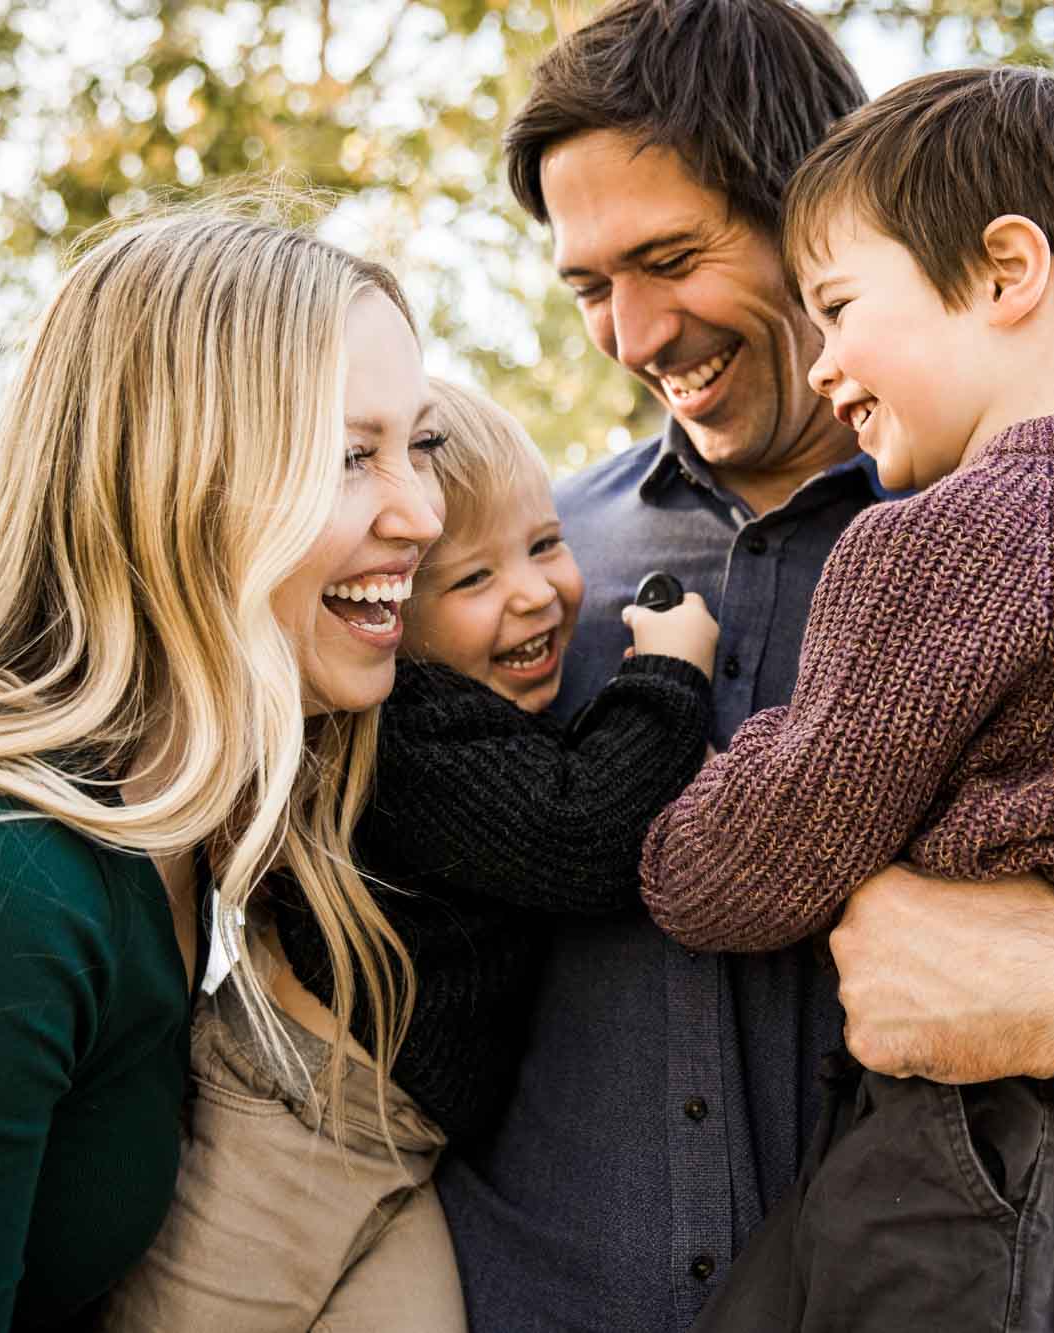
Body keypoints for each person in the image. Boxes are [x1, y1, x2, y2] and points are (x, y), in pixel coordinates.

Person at [442, 3, 1054, 1329]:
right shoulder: (529, 577)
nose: (628, 337)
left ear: (817, 219)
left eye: (670, 258)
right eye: (586, 287)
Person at [637, 64, 1054, 1330]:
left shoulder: (938, 540)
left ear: (1006, 271)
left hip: (969, 1131)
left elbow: (752, 864)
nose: (826, 366)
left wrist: (682, 772)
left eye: (835, 308)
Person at [0, 202, 443, 1330]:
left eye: (423, 444)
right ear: (173, 487)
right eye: (347, 456)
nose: (419, 511)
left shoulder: (175, 838)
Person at [106, 378, 721, 1329]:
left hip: (401, 1146)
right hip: (291, 1121)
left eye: (547, 546)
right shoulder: (408, 729)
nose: (532, 594)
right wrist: (667, 674)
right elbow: (585, 832)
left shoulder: (476, 719)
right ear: (396, 609)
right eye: (472, 580)